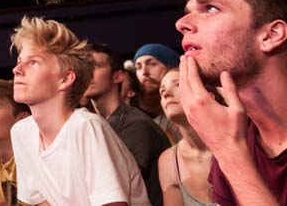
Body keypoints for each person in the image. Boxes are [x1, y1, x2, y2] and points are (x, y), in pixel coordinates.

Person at [176, 0, 287, 206]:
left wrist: (228, 150)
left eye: (211, 9)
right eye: (188, 13)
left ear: (271, 35)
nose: (181, 24)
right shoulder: (237, 138)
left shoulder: (229, 144)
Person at [9, 16, 149, 206]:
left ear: (65, 79)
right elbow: (36, 202)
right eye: (19, 61)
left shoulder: (86, 127)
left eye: (33, 62)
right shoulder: (21, 132)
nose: (17, 69)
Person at [85, 43, 170, 206]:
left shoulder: (136, 124)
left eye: (94, 66)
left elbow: (116, 186)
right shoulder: (100, 124)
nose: (86, 73)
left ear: (118, 76)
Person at [156, 69, 215, 206]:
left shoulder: (240, 142)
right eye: (161, 91)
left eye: (177, 84)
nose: (166, 93)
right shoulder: (168, 161)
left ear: (208, 94)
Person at [133, 43, 182, 142]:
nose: (144, 72)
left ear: (171, 67)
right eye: (138, 67)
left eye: (152, 64)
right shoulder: (136, 116)